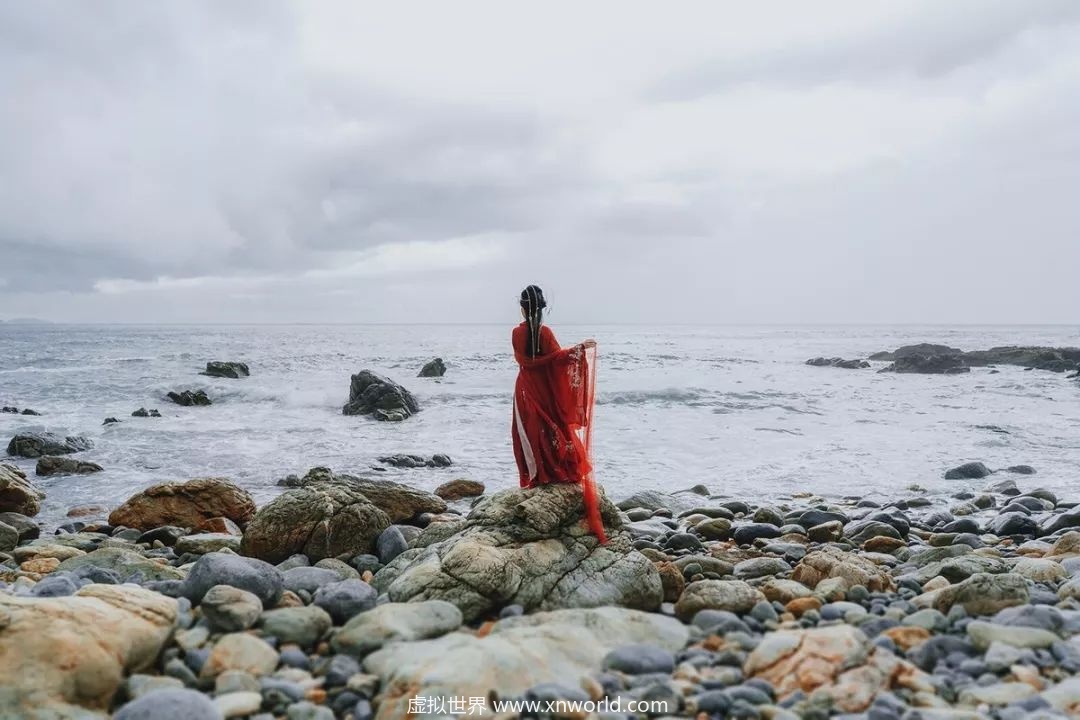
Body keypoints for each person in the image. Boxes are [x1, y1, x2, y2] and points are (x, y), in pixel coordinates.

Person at [511, 284, 606, 543]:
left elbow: (527, 363)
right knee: (553, 427)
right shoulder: (546, 333)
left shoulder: (516, 334)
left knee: (531, 431)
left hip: (526, 390)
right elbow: (556, 360)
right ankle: (557, 473)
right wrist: (579, 349)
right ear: (542, 309)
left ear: (522, 308)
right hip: (546, 390)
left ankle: (538, 477)